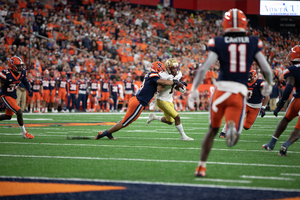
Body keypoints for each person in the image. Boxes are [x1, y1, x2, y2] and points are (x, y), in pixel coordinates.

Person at [191, 9, 273, 177]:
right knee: (235, 135)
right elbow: (267, 70)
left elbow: (204, 68)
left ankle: (201, 166)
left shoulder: (218, 41)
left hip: (220, 91)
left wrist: (193, 90)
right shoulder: (253, 42)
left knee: (212, 130)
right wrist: (269, 85)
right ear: (244, 24)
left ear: (225, 24)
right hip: (238, 93)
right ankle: (232, 128)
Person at [95, 61, 178, 140]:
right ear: (158, 69)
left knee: (126, 120)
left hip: (137, 100)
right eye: (162, 70)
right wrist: (173, 82)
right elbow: (162, 82)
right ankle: (103, 134)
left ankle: (108, 132)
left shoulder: (152, 75)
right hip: (138, 102)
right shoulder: (153, 74)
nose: (162, 72)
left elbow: (160, 88)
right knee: (125, 122)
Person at [262, 45, 300, 156]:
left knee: (285, 119)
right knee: (298, 128)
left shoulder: (291, 70)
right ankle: (286, 144)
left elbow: (288, 88)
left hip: (297, 100)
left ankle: (271, 143)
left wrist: (279, 106)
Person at [146, 58, 194, 141]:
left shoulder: (178, 74)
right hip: (162, 100)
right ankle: (183, 136)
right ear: (168, 69)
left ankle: (154, 117)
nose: (176, 70)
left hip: (169, 99)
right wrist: (168, 81)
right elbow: (158, 89)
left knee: (170, 121)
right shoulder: (162, 75)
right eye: (173, 68)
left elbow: (176, 85)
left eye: (176, 68)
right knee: (177, 117)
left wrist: (180, 86)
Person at [219, 67, 270, 137]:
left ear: (254, 74)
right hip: (245, 103)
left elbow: (266, 96)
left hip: (256, 107)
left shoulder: (260, 83)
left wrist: (263, 107)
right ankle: (223, 132)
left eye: (249, 74)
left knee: (246, 127)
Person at [0, 56, 34, 139]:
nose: (21, 67)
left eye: (21, 65)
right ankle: (24, 133)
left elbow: (25, 82)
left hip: (13, 95)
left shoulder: (22, 73)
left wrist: (29, 90)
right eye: (18, 66)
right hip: (6, 95)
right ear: (13, 66)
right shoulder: (5, 74)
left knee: (8, 116)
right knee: (19, 111)